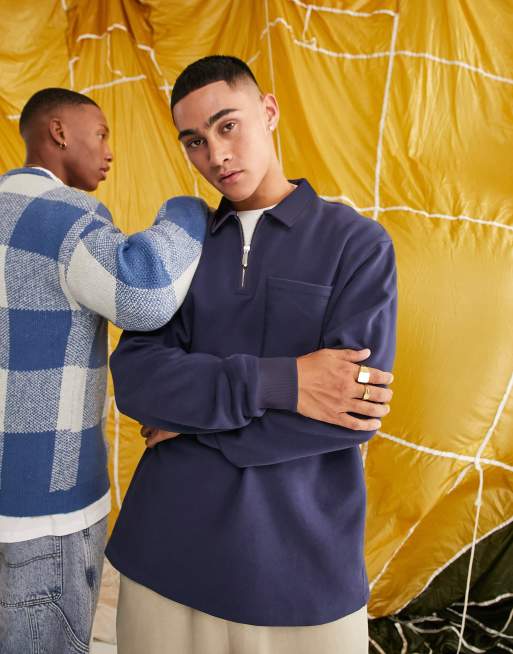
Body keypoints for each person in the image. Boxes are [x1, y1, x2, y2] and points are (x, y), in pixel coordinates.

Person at [107, 56, 397, 654]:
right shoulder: (178, 246)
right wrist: (287, 383)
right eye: (195, 141)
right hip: (164, 555)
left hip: (302, 573)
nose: (216, 154)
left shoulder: (357, 244)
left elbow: (353, 411)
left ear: (268, 111)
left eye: (228, 125)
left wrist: (190, 426)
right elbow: (136, 380)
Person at [0, 88, 208, 654]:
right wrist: (186, 209)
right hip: (45, 511)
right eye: (101, 134)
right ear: (59, 132)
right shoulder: (66, 215)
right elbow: (145, 294)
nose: (109, 151)